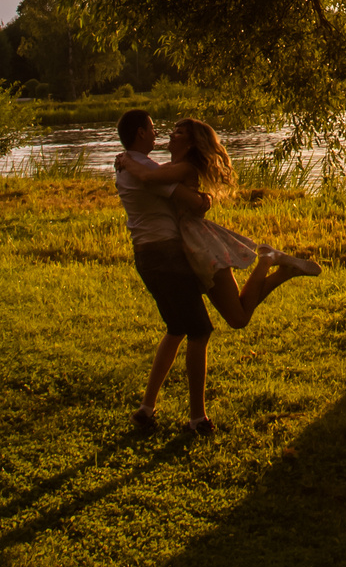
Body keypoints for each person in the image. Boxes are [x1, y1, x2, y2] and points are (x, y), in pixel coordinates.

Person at [113, 109, 320, 435]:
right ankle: (184, 416)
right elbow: (185, 197)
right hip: (175, 252)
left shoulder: (154, 168)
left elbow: (188, 199)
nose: (163, 134)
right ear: (140, 133)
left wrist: (130, 164)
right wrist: (197, 198)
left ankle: (156, 411)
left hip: (190, 247)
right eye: (155, 129)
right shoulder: (149, 167)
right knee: (199, 327)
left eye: (177, 132)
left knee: (195, 327)